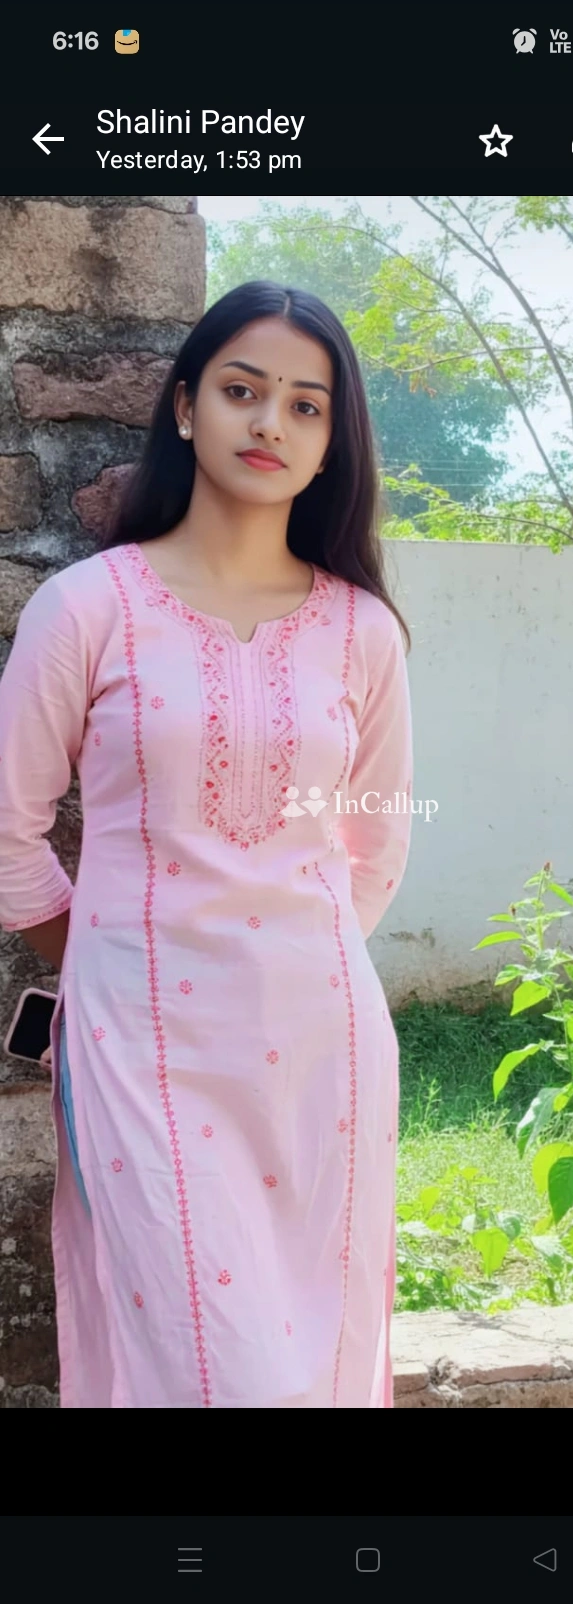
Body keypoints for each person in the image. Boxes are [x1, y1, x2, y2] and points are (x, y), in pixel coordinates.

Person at [0, 281, 414, 1409]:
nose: (270, 422)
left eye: (305, 405)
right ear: (186, 407)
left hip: (322, 1052)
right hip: (141, 1047)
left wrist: (288, 963)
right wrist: (105, 964)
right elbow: (9, 829)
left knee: (320, 1364)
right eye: (242, 390)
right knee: (200, 1364)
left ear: (331, 443)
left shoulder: (362, 632)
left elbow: (375, 845)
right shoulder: (90, 608)